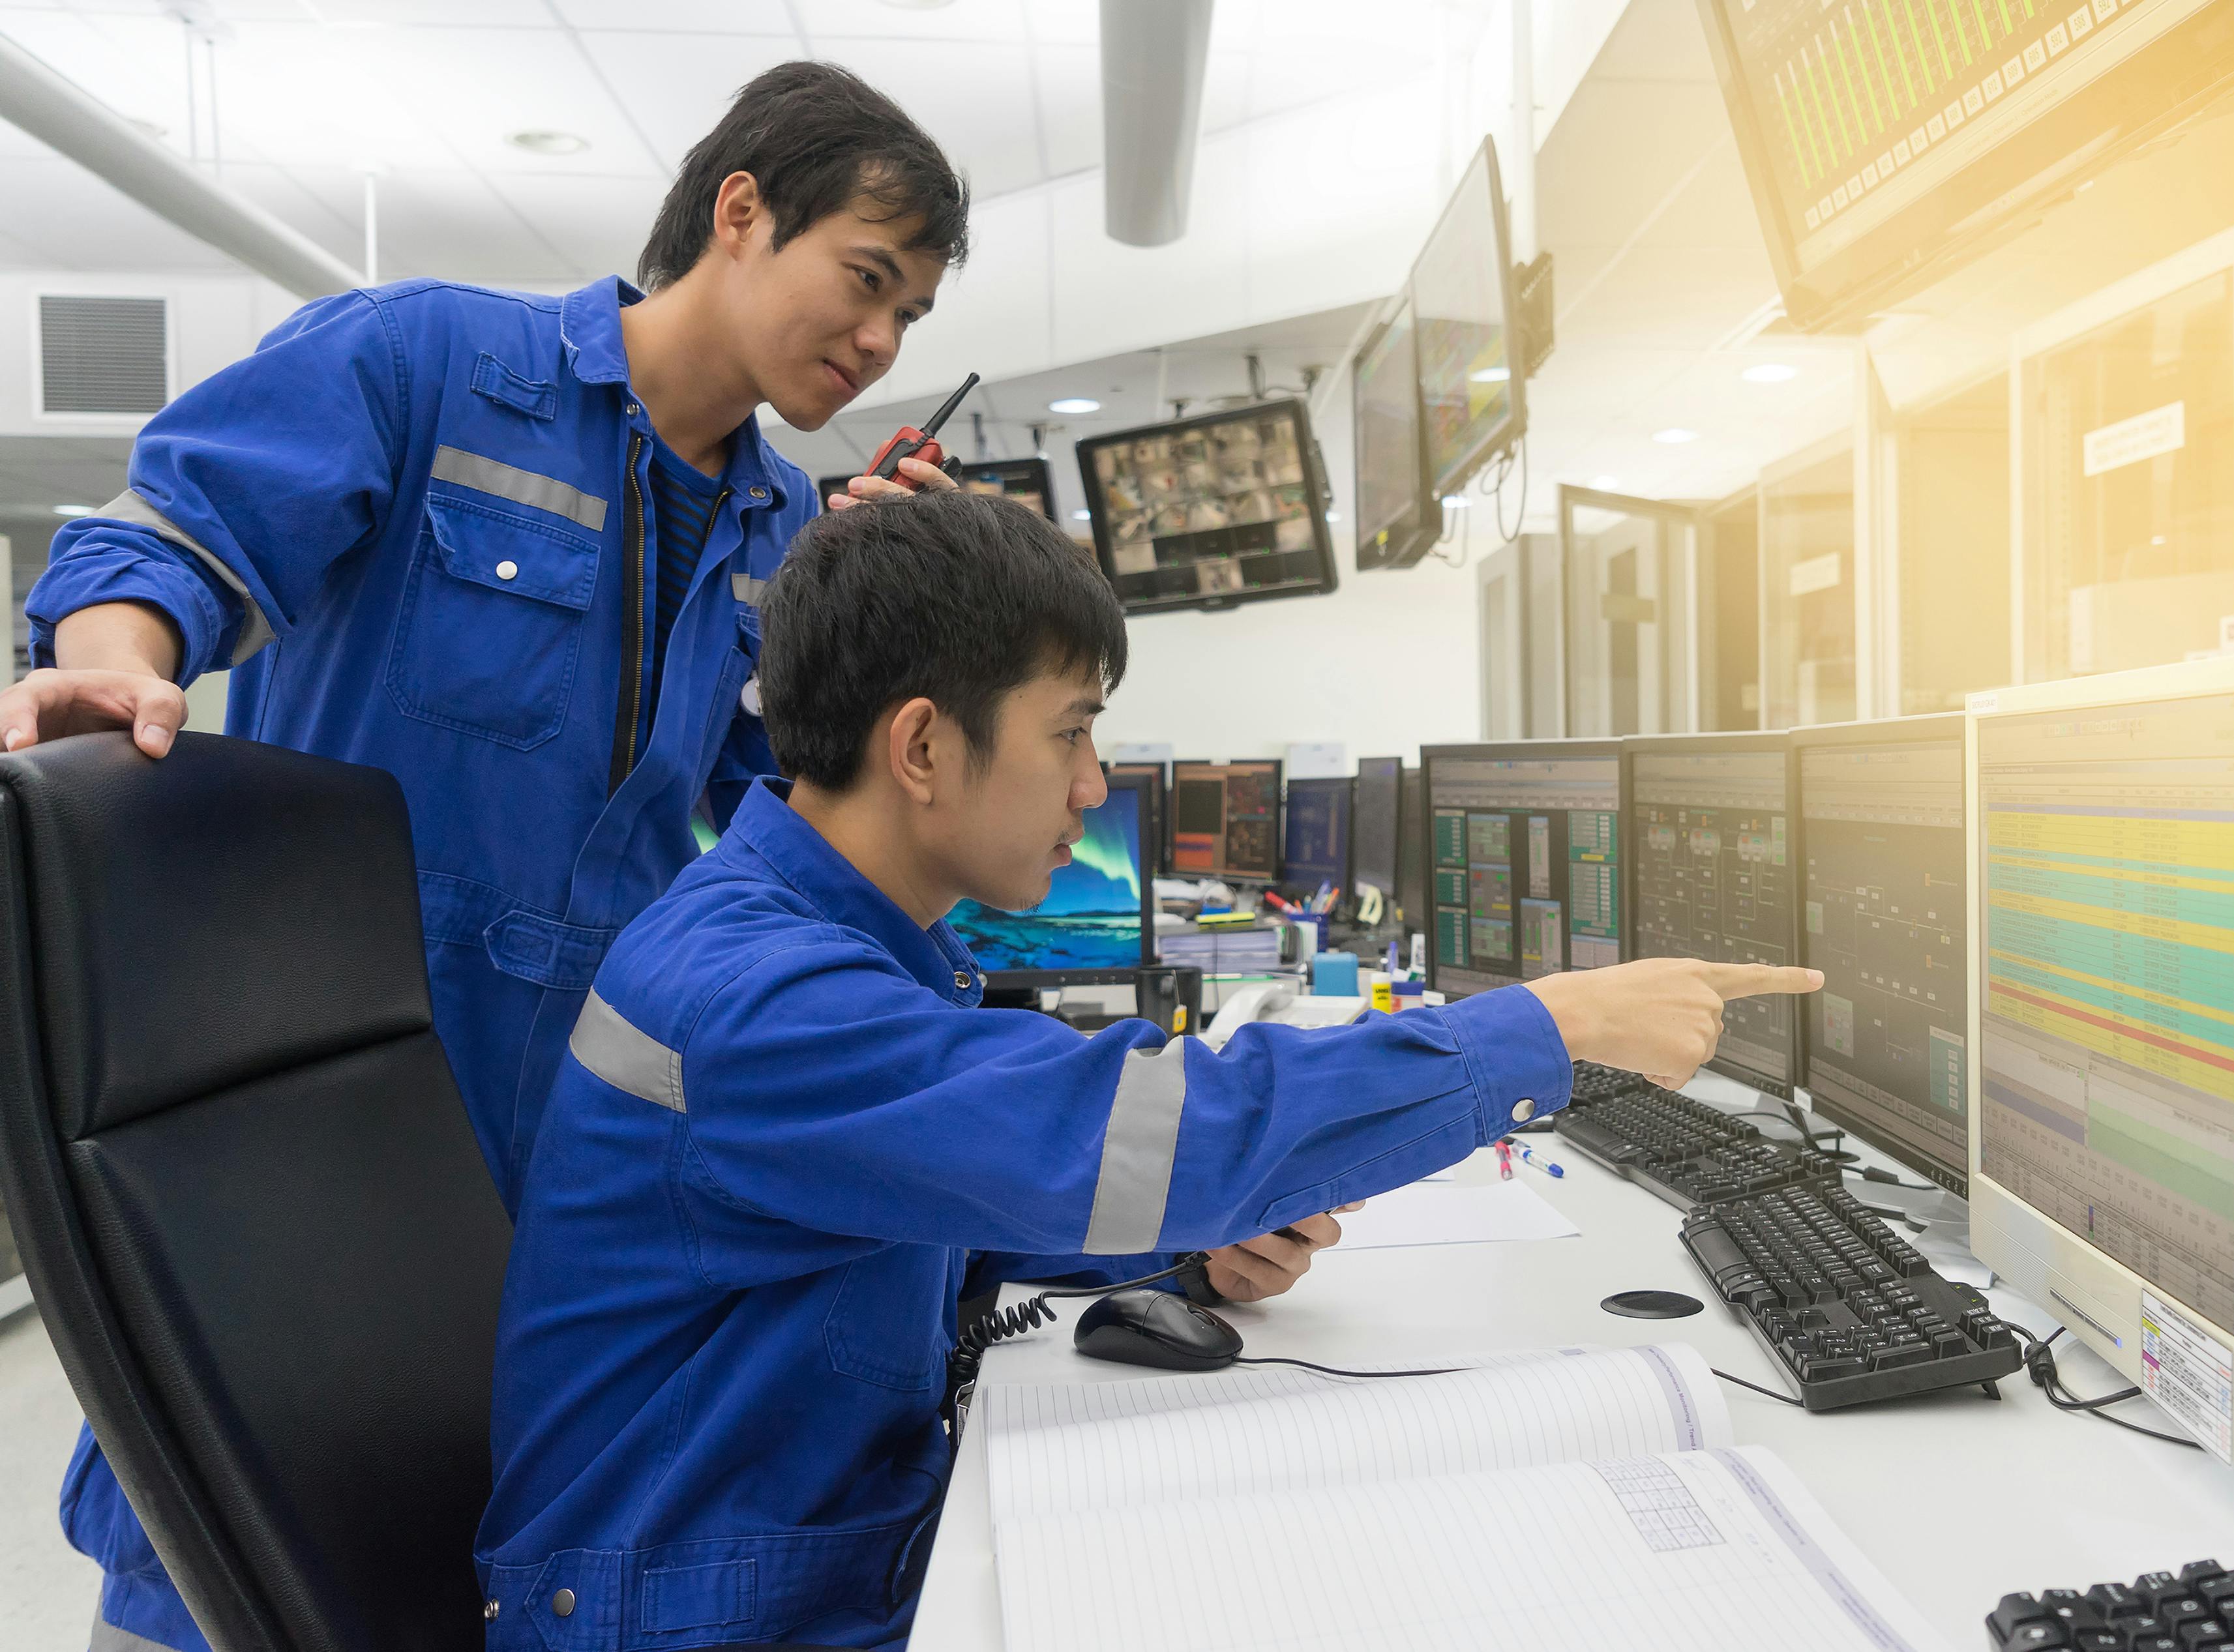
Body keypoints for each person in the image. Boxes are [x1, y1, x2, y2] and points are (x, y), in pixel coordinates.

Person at [477, 490, 1824, 1649]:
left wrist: (1174, 1263)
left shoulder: (806, 937)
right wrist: (1548, 1024)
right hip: (699, 1609)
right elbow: (1149, 1132)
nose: (1093, 781)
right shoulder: (761, 996)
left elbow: (886, 1209)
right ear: (926, 747)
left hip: (783, 1543)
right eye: (1069, 731)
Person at [7, 61, 968, 1652]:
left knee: (461, 1559)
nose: (878, 342)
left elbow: (807, 836)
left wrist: (885, 616)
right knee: (214, 1566)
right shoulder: (430, 360)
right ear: (740, 212)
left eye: (910, 317)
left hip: (566, 1171)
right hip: (296, 1135)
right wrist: (120, 668)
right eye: (866, 280)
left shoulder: (784, 538)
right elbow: (164, 541)